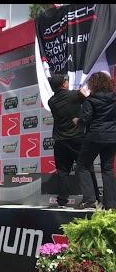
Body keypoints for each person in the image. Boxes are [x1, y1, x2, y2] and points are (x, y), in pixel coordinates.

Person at [47, 74, 99, 208]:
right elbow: (90, 99)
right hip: (77, 138)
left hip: (60, 140)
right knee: (86, 168)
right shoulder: (75, 95)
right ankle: (94, 198)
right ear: (64, 84)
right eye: (66, 81)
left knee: (63, 171)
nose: (68, 82)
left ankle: (62, 201)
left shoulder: (51, 102)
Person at [76, 71, 116, 210]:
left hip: (95, 137)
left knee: (82, 166)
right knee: (108, 169)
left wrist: (77, 121)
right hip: (112, 138)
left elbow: (85, 120)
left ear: (92, 84)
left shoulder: (90, 100)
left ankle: (89, 200)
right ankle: (111, 205)